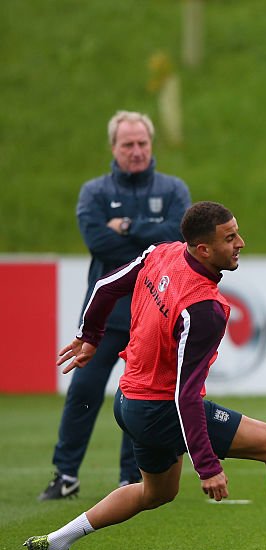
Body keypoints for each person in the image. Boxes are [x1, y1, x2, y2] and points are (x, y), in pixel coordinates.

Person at [25, 201, 266, 550]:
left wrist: (90, 335)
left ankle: (55, 542)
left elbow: (105, 286)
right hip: (159, 409)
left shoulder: (163, 252)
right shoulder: (203, 308)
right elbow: (184, 395)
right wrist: (207, 466)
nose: (241, 243)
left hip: (128, 401)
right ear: (203, 249)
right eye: (230, 237)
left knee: (156, 493)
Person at [40, 110, 191, 500]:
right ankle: (66, 475)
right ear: (113, 147)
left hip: (154, 316)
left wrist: (125, 227)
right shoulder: (95, 192)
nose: (137, 151)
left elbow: (177, 239)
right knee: (84, 391)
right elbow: (99, 243)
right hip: (103, 316)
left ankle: (132, 478)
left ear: (151, 144)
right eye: (128, 144)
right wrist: (148, 238)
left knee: (144, 398)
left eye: (142, 143)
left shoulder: (174, 189)